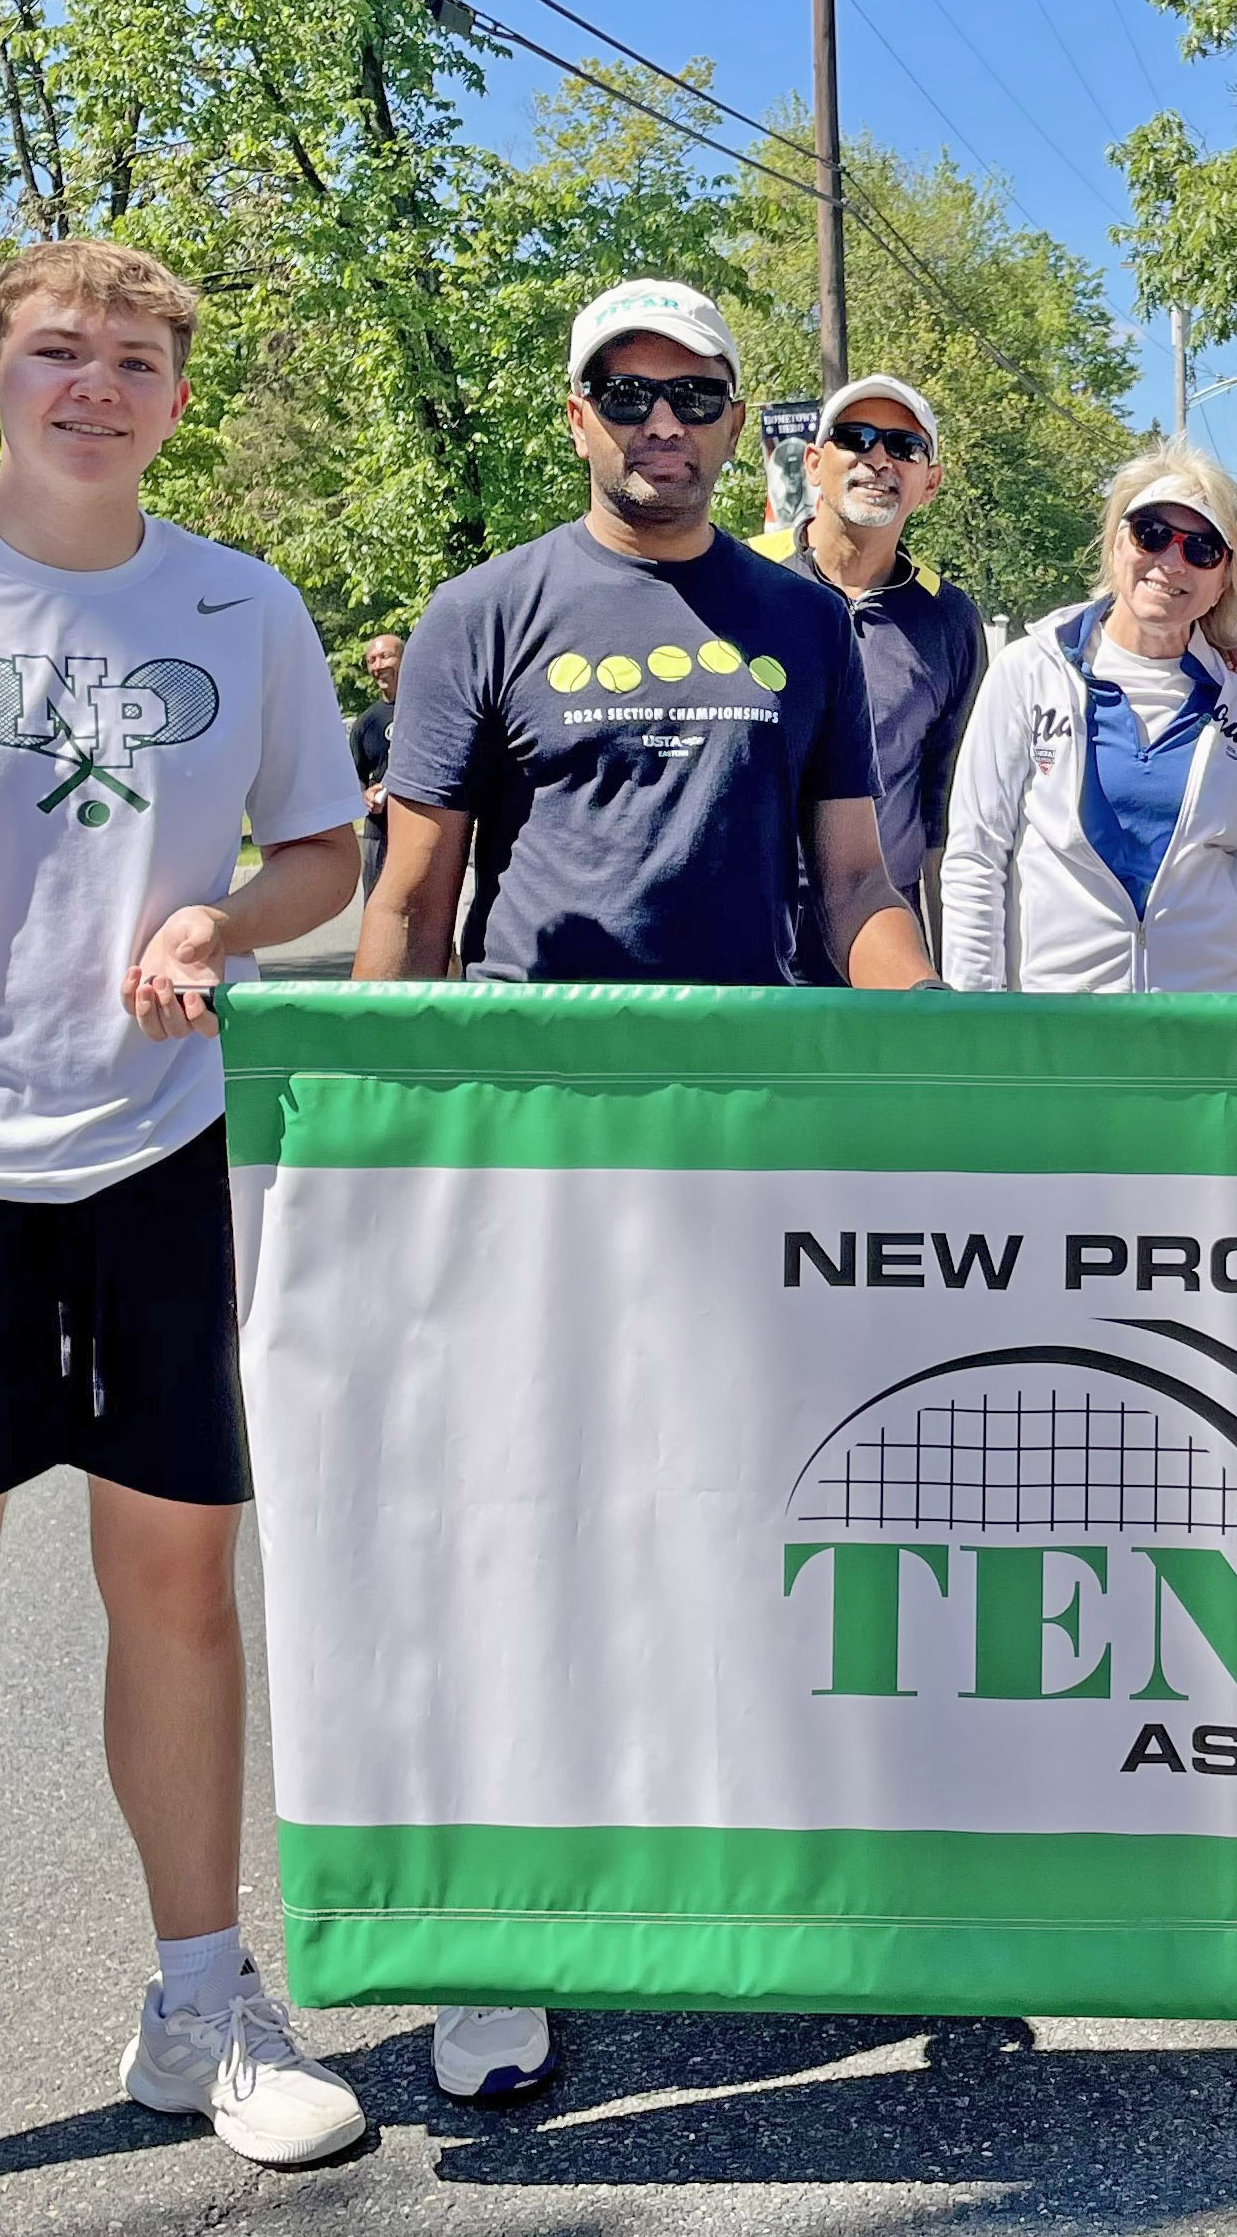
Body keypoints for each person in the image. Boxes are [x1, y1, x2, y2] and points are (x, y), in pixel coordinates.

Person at [0, 237, 371, 2225]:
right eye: (56, 355)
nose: (93, 387)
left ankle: (203, 2003)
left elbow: (327, 851)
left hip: (163, 1161)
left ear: (176, 395)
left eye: (131, 361)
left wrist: (226, 920)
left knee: (182, 1597)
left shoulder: (241, 600)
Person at [357, 278, 936, 2103]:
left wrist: (932, 1065)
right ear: (578, 413)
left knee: (740, 1517)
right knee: (513, 1528)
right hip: (536, 1144)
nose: (662, 425)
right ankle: (500, 1934)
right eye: (628, 394)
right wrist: (371, 1161)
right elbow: (409, 903)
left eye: (695, 396)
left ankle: (739, 1877)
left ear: (732, 418)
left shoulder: (796, 623)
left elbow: (851, 883)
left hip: (744, 1142)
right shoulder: (488, 611)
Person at [937, 450, 1237, 992]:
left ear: (1225, 578)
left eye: (1202, 549)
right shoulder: (1028, 672)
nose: (1170, 561)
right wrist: (979, 1018)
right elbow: (977, 855)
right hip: (1058, 1028)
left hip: (1207, 1031)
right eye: (1151, 533)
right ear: (1117, 543)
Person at [751, 372, 986, 961]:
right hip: (742, 919)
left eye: (904, 447)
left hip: (878, 931)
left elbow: (946, 811)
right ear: (812, 462)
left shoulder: (949, 619)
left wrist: (950, 967)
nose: (878, 458)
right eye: (855, 438)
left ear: (929, 482)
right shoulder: (742, 581)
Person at [349, 631, 404, 898]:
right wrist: (364, 795)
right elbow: (351, 778)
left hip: (421, 826)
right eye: (371, 660)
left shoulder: (428, 709)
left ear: (404, 659)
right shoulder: (365, 724)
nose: (378, 665)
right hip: (378, 833)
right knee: (377, 907)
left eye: (385, 656)